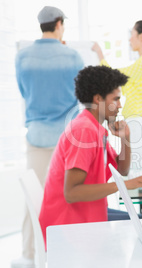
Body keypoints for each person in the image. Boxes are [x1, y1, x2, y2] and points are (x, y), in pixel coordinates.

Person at [38, 65, 142, 247]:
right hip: (68, 225)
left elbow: (122, 169)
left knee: (139, 221)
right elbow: (71, 193)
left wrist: (125, 138)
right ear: (98, 99)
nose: (120, 105)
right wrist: (125, 186)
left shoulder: (95, 128)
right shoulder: (84, 131)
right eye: (116, 99)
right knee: (141, 225)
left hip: (84, 213)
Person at [13, 6, 84, 268]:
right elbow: (80, 94)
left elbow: (24, 91)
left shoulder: (22, 57)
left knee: (35, 196)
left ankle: (30, 254)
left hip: (36, 136)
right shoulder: (73, 56)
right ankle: (65, 253)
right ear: (58, 24)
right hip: (67, 138)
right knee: (68, 197)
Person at [92, 15, 142, 175]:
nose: (130, 39)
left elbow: (114, 75)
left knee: (137, 163)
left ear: (141, 37)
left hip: (139, 119)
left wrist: (100, 55)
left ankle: (140, 194)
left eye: (132, 35)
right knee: (138, 161)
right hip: (139, 119)